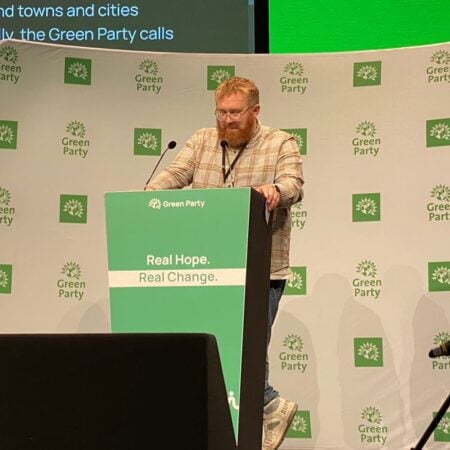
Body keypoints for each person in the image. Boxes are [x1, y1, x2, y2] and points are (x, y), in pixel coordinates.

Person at [145, 76, 304, 450]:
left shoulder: (280, 142)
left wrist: (274, 191)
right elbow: (175, 175)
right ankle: (257, 411)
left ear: (255, 111)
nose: (227, 120)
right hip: (205, 265)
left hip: (259, 267)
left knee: (246, 347)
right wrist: (148, 195)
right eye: (221, 112)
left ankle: (265, 404)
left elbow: (293, 183)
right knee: (212, 348)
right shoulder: (202, 140)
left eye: (235, 113)